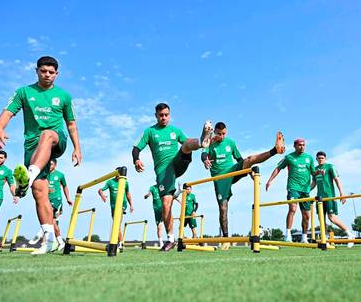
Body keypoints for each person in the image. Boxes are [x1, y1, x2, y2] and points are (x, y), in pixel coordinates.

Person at [0, 56, 82, 254]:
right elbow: (8, 112)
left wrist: (77, 148)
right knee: (40, 194)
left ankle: (29, 175)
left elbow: (71, 125)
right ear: (37, 71)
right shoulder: (24, 92)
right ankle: (49, 240)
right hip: (32, 145)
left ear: (57, 74)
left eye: (51, 72)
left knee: (48, 134)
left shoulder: (64, 96)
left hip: (56, 140)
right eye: (44, 71)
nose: (47, 75)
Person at [132, 103, 212, 251]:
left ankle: (203, 141)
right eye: (161, 115)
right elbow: (136, 148)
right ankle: (170, 239)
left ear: (170, 115)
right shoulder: (150, 131)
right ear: (156, 115)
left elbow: (187, 143)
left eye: (166, 115)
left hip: (178, 162)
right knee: (166, 204)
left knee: (187, 144)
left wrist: (205, 155)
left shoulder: (175, 130)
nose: (164, 118)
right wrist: (136, 159)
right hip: (163, 171)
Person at [202, 122, 285, 250]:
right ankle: (226, 239)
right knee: (223, 208)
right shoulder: (210, 142)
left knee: (249, 159)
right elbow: (203, 153)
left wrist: (248, 170)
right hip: (220, 178)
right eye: (219, 134)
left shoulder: (231, 143)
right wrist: (205, 160)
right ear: (215, 132)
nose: (222, 136)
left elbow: (240, 159)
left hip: (232, 170)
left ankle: (275, 150)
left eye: (224, 134)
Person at [266, 139, 315, 243]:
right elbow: (278, 168)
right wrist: (270, 181)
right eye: (300, 145)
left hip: (305, 190)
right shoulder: (289, 157)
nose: (302, 147)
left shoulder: (309, 158)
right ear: (294, 146)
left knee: (306, 215)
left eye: (304, 145)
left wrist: (319, 172)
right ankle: (288, 235)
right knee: (292, 208)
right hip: (293, 188)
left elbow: (313, 172)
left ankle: (304, 237)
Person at [309, 151, 355, 247]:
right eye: (319, 158)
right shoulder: (315, 169)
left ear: (325, 159)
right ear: (316, 159)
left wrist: (342, 193)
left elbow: (337, 180)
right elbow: (314, 183)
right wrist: (307, 191)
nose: (320, 159)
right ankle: (325, 239)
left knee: (332, 218)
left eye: (322, 158)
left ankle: (350, 234)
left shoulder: (330, 167)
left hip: (329, 196)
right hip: (319, 197)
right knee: (321, 219)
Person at [28, 159, 72, 251]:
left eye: (51, 164)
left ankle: (40, 233)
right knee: (52, 222)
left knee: (50, 216)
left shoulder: (60, 175)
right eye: (48, 164)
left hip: (56, 199)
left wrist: (68, 198)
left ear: (55, 165)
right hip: (46, 199)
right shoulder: (44, 175)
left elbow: (65, 187)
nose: (49, 166)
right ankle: (61, 242)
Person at [98, 176, 133, 249]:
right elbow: (100, 190)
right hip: (113, 206)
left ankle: (120, 244)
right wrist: (102, 195)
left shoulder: (125, 182)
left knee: (117, 223)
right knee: (116, 225)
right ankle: (119, 242)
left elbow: (128, 194)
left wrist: (131, 205)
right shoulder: (110, 182)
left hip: (122, 204)